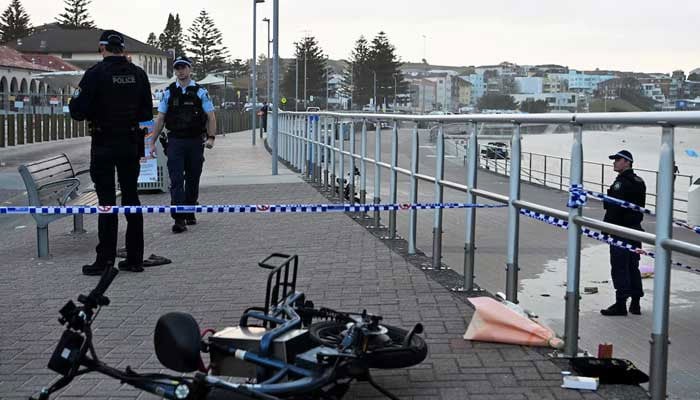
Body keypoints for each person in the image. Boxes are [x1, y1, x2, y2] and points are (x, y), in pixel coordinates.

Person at [69, 30, 153, 276]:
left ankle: (105, 261)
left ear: (102, 48)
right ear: (123, 49)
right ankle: (135, 258)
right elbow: (147, 114)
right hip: (130, 143)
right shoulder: (138, 74)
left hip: (104, 144)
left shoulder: (95, 74)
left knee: (107, 203)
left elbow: (77, 111)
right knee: (131, 199)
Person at [151, 56, 216, 233]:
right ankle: (179, 218)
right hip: (175, 141)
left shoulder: (200, 92)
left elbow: (210, 116)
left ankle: (190, 210)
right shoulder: (169, 92)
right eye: (177, 68)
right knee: (177, 179)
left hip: (195, 141)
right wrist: (152, 141)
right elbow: (161, 118)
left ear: (190, 69)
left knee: (193, 178)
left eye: (184, 67)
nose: (180, 71)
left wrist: (211, 137)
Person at [600, 150, 647, 316]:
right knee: (633, 266)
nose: (614, 162)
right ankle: (636, 303)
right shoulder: (639, 181)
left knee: (620, 267)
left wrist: (606, 229)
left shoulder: (621, 183)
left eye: (618, 160)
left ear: (627, 162)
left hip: (620, 230)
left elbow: (614, 208)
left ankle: (621, 304)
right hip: (635, 230)